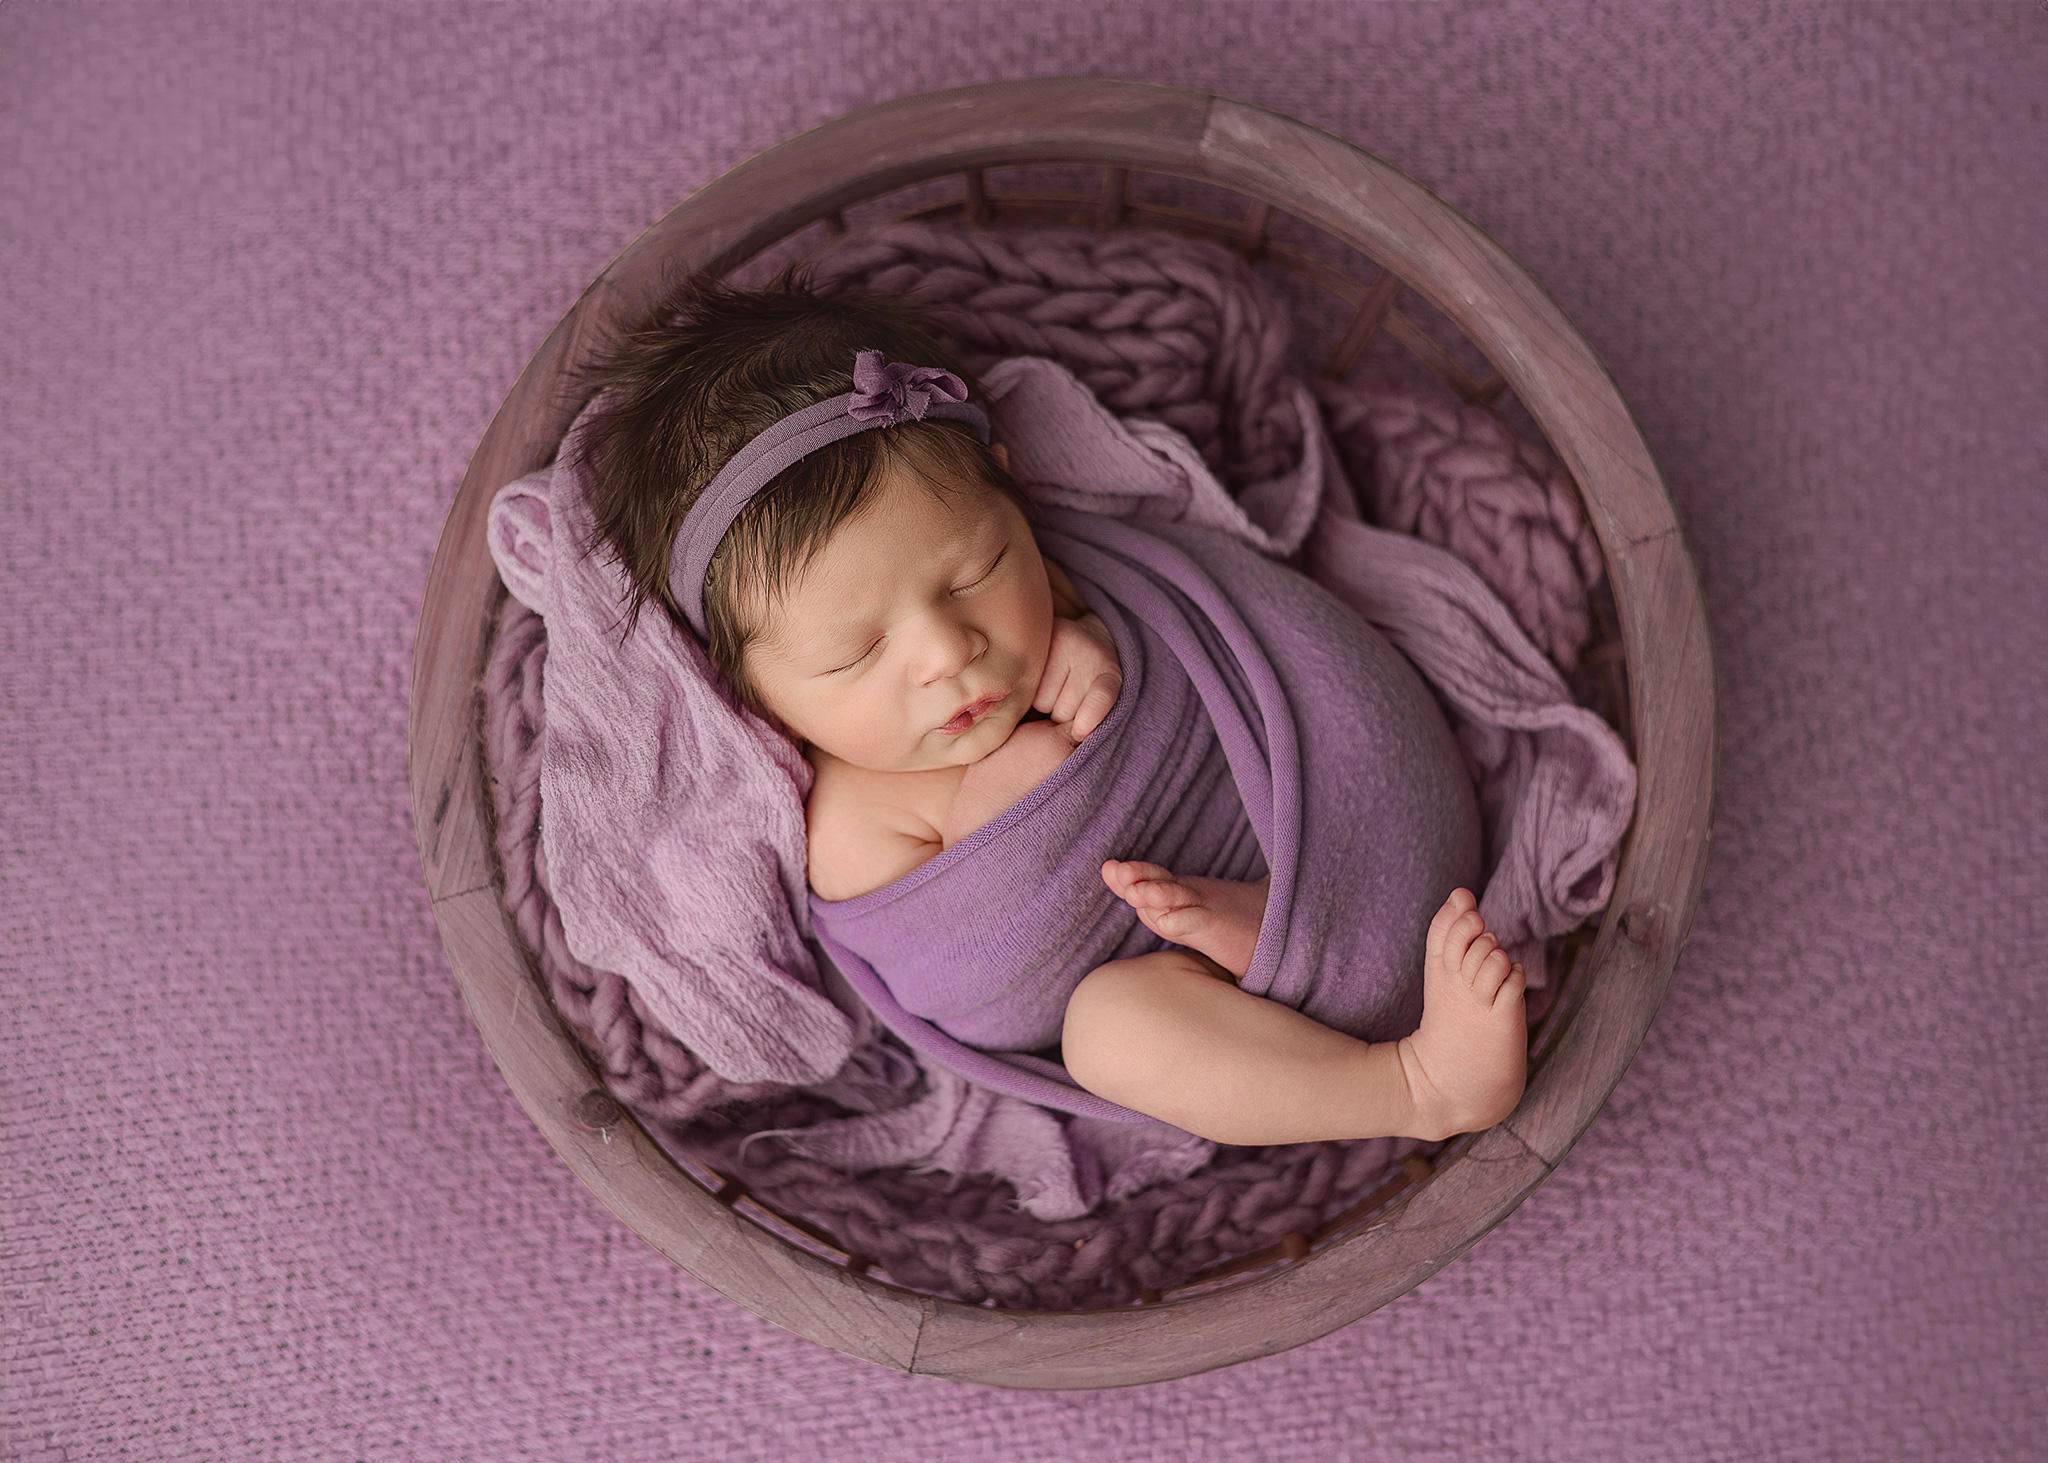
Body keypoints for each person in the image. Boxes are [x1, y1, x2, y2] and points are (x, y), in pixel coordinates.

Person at [568, 267, 1527, 1148]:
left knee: (1158, 945)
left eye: (977, 569)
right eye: (857, 650)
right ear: (755, 697)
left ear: (1016, 496)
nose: (948, 651)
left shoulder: (1058, 581)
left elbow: (1182, 624)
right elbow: (982, 968)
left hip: (1359, 839)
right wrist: (1006, 787)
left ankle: (1287, 918)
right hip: (1156, 975)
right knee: (1112, 1029)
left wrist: (1100, 634)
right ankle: (1409, 1085)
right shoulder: (843, 818)